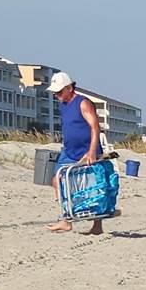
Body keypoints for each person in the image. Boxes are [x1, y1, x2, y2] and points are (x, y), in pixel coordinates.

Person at [49, 71, 107, 236]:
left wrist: (92, 151)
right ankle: (66, 220)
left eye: (59, 92)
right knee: (57, 181)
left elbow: (95, 127)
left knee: (93, 187)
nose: (57, 95)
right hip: (69, 151)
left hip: (87, 151)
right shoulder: (63, 104)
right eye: (55, 93)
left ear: (69, 88)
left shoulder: (83, 103)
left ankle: (97, 225)